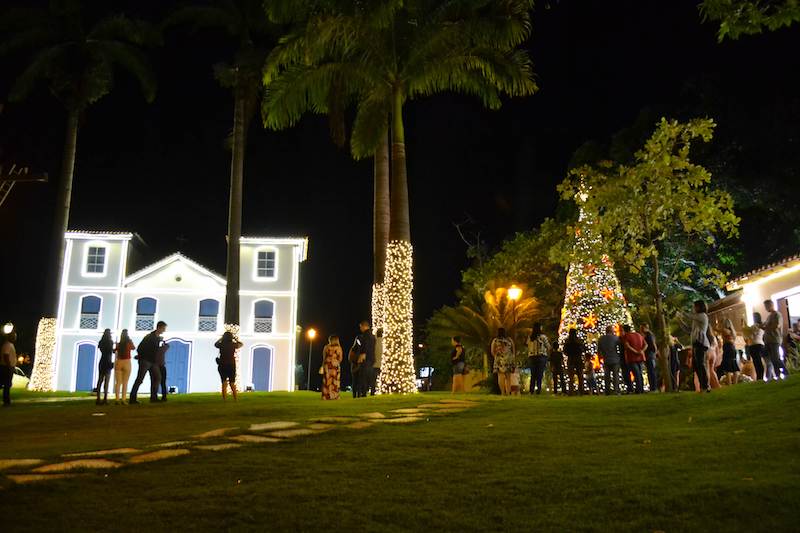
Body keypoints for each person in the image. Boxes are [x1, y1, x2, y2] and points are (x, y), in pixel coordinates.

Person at [129, 321, 167, 404]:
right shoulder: (150, 337)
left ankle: (154, 397)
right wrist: (142, 356)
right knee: (140, 379)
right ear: (159, 328)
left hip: (153, 361)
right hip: (146, 361)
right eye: (163, 328)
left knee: (157, 377)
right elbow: (140, 348)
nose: (164, 330)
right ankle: (132, 398)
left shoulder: (157, 338)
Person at [687, 301, 710, 393]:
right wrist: (680, 321)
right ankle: (703, 386)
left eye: (694, 307)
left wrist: (680, 313)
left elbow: (690, 316)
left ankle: (705, 386)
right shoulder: (696, 318)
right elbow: (690, 330)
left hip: (701, 343)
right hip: (696, 343)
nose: (693, 309)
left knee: (700, 365)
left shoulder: (702, 316)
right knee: (697, 366)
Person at [350, 321, 376, 398]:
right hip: (371, 358)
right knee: (371, 377)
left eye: (361, 327)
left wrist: (362, 354)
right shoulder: (373, 336)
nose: (360, 328)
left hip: (365, 359)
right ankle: (371, 392)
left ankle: (363, 393)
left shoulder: (364, 336)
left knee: (363, 377)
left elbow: (364, 346)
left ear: (364, 326)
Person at [215, 331, 243, 401]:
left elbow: (215, 344)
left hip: (222, 365)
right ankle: (235, 399)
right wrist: (235, 339)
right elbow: (241, 344)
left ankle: (224, 399)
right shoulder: (233, 345)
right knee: (232, 383)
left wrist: (221, 338)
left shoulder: (221, 344)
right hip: (231, 365)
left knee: (224, 382)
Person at [761, 299, 785, 380]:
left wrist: (766, 328)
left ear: (771, 305)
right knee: (771, 358)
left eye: (766, 306)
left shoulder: (777, 314)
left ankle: (785, 371)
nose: (765, 308)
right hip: (768, 340)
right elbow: (766, 327)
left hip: (775, 339)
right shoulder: (769, 316)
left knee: (776, 358)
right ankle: (777, 375)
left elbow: (776, 325)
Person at [598, 325, 623, 395]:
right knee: (615, 376)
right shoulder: (616, 338)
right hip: (615, 359)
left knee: (607, 376)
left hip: (606, 359)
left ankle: (607, 391)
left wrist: (600, 358)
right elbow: (620, 348)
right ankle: (616, 390)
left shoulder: (601, 339)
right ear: (611, 331)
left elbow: (599, 350)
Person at [622, 325, 647, 394]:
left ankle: (638, 390)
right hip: (641, 357)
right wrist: (642, 351)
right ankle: (641, 389)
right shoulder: (638, 334)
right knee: (640, 373)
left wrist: (635, 351)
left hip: (632, 358)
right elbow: (646, 344)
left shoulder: (626, 336)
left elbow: (627, 346)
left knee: (637, 374)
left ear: (625, 330)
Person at [526, 324, 550, 395]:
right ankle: (538, 390)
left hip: (532, 357)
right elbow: (548, 346)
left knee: (533, 374)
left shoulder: (530, 337)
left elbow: (527, 345)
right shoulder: (543, 337)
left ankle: (531, 390)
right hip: (541, 357)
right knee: (540, 374)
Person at [491, 328, 515, 396]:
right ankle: (508, 392)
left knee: (500, 376)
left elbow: (492, 351)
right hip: (508, 359)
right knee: (508, 377)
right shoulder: (509, 340)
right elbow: (513, 350)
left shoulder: (495, 340)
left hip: (499, 360)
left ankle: (503, 392)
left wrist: (496, 356)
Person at [114, 329, 134, 404]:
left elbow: (114, 350)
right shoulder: (129, 343)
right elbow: (133, 348)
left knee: (118, 382)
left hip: (119, 362)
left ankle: (117, 399)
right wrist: (130, 340)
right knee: (125, 382)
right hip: (127, 362)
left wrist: (116, 346)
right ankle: (123, 399)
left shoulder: (119, 344)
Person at [563, 328, 586, 396]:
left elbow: (565, 351)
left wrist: (569, 354)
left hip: (571, 359)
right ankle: (581, 391)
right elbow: (583, 349)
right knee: (580, 376)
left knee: (571, 376)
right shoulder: (579, 341)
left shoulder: (567, 341)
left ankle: (571, 391)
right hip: (578, 359)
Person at [321, 335, 343, 400]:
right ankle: (335, 395)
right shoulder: (339, 348)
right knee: (335, 381)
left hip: (327, 365)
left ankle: (326, 395)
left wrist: (323, 365)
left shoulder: (326, 347)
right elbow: (340, 358)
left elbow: (324, 357)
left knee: (327, 381)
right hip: (335, 366)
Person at [96, 329, 114, 405]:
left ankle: (98, 398)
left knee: (100, 380)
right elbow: (110, 351)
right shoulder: (110, 342)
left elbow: (100, 348)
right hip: (108, 361)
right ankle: (105, 398)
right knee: (107, 380)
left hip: (102, 361)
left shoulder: (101, 342)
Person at [639, 324, 659, 392]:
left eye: (641, 328)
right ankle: (653, 387)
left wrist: (654, 352)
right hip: (650, 354)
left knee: (651, 371)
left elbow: (652, 345)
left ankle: (654, 387)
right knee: (651, 371)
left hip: (649, 355)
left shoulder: (648, 335)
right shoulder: (650, 335)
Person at [720, 318, 740, 385]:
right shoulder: (733, 332)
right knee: (734, 366)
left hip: (727, 348)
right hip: (733, 348)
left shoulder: (724, 330)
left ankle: (729, 384)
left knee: (727, 368)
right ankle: (735, 383)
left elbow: (716, 329)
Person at [0, 331, 17, 407]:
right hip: (6, 367)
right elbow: (6, 355)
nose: (15, 338)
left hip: (7, 367)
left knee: (6, 384)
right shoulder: (8, 345)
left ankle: (7, 401)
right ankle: (6, 401)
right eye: (14, 336)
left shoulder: (9, 345)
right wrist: (9, 366)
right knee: (6, 384)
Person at [370, 328, 383, 396]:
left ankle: (373, 391)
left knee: (373, 380)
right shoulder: (384, 342)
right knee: (382, 379)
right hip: (382, 364)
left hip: (374, 364)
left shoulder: (374, 342)